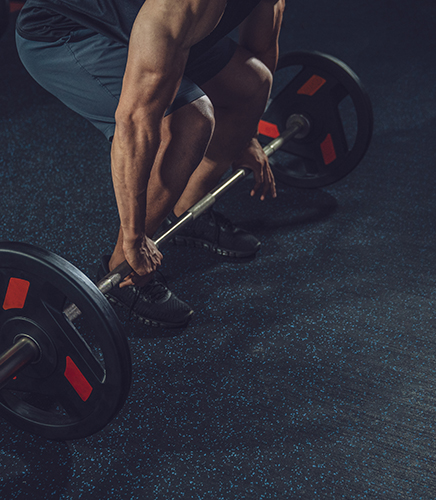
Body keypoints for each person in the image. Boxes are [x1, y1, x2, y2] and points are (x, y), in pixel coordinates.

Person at [16, 0, 285, 328]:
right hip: (67, 32)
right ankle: (123, 277)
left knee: (252, 82)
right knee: (190, 121)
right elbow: (135, 119)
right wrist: (134, 234)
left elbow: (261, 50)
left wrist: (246, 135)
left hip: (153, 29)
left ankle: (187, 209)